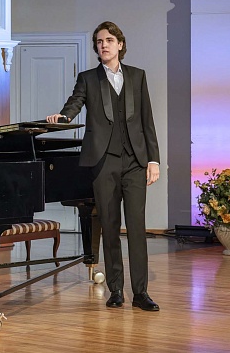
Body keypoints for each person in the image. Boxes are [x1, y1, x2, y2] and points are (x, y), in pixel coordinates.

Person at [46, 21, 161, 312]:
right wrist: (64, 116)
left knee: (136, 227)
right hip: (103, 161)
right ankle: (116, 290)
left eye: (109, 40)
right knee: (109, 227)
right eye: (99, 41)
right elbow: (74, 103)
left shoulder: (137, 76)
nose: (104, 45)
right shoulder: (88, 78)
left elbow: (147, 121)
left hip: (135, 162)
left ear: (120, 44)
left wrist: (153, 160)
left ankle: (141, 293)